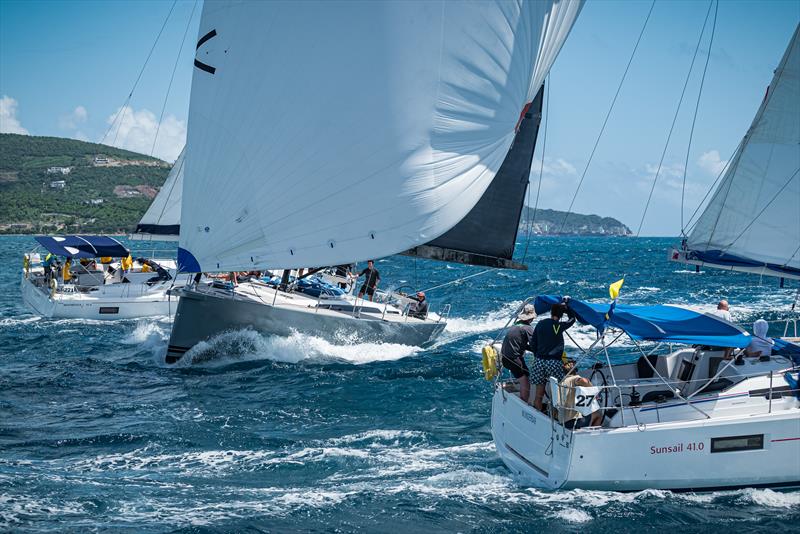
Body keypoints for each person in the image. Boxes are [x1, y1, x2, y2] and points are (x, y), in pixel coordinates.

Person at [531, 301, 576, 412]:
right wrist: (567, 309)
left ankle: (537, 414)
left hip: (539, 361)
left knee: (538, 394)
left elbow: (533, 343)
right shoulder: (558, 326)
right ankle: (556, 416)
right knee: (558, 392)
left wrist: (538, 355)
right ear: (561, 315)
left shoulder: (540, 323)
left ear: (551, 313)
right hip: (553, 362)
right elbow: (572, 320)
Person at [500, 304, 537, 403]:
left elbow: (521, 343)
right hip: (514, 359)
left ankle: (516, 392)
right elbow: (535, 345)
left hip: (505, 358)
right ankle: (524, 403)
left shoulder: (516, 325)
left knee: (525, 374)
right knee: (525, 381)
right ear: (532, 318)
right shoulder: (527, 328)